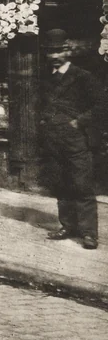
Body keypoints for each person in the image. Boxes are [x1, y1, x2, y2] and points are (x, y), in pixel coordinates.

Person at [40, 28, 107, 250]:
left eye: (59, 51)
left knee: (81, 185)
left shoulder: (83, 76)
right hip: (54, 138)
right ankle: (68, 226)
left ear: (68, 51)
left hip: (77, 139)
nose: (55, 56)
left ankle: (89, 234)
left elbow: (101, 105)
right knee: (61, 183)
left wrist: (78, 122)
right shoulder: (46, 77)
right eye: (51, 52)